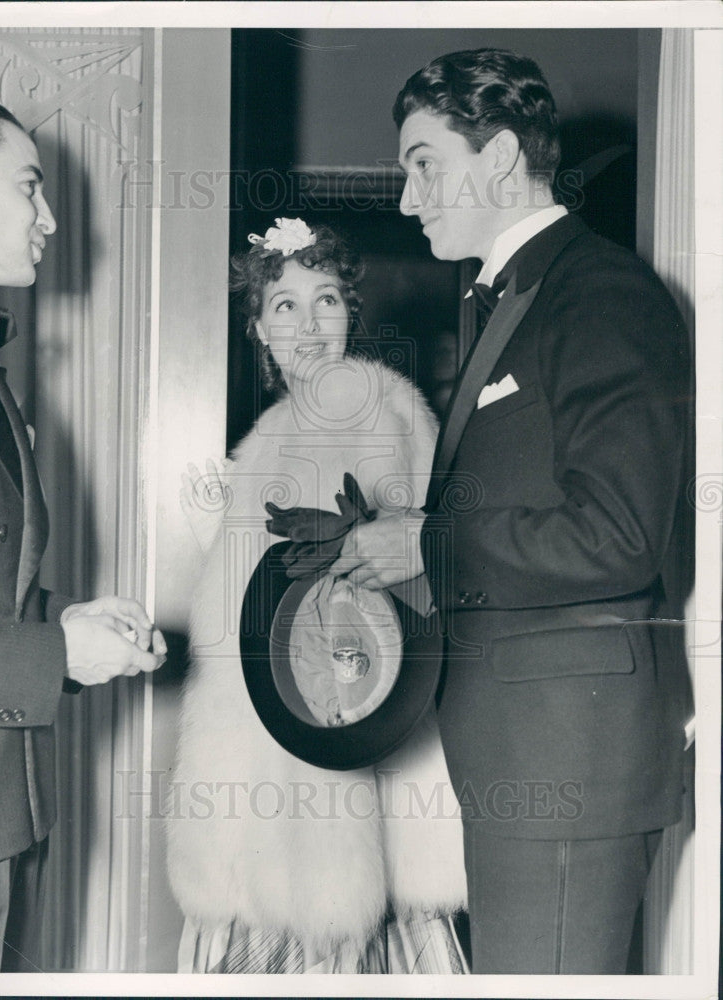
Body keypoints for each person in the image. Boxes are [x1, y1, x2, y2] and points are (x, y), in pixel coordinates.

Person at [328, 50, 692, 973]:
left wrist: (431, 545)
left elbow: (618, 535)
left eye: (422, 163)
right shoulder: (519, 294)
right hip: (528, 761)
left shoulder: (599, 292)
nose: (408, 199)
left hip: (566, 766)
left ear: (496, 159)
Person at [167, 219, 469, 974]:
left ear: (350, 316)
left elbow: (392, 612)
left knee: (331, 946)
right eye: (285, 305)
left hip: (330, 774)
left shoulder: (372, 406)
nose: (307, 324)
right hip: (260, 768)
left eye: (325, 298)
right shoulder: (271, 433)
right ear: (258, 328)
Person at [0, 96, 167, 972]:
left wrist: (72, 623)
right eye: (28, 188)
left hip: (2, 804)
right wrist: (56, 655)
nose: (49, 218)